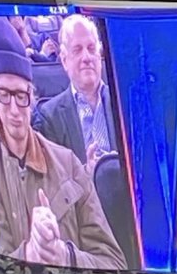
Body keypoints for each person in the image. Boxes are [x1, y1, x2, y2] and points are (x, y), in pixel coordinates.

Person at [0, 18, 126, 270]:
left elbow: (115, 262)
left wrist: (63, 255)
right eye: (4, 95)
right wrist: (33, 250)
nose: (14, 110)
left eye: (92, 49)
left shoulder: (126, 109)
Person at [34, 15, 117, 168]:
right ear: (64, 60)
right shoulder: (50, 117)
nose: (87, 57)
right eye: (77, 50)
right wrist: (84, 175)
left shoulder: (122, 102)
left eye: (91, 49)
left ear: (99, 55)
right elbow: (56, 182)